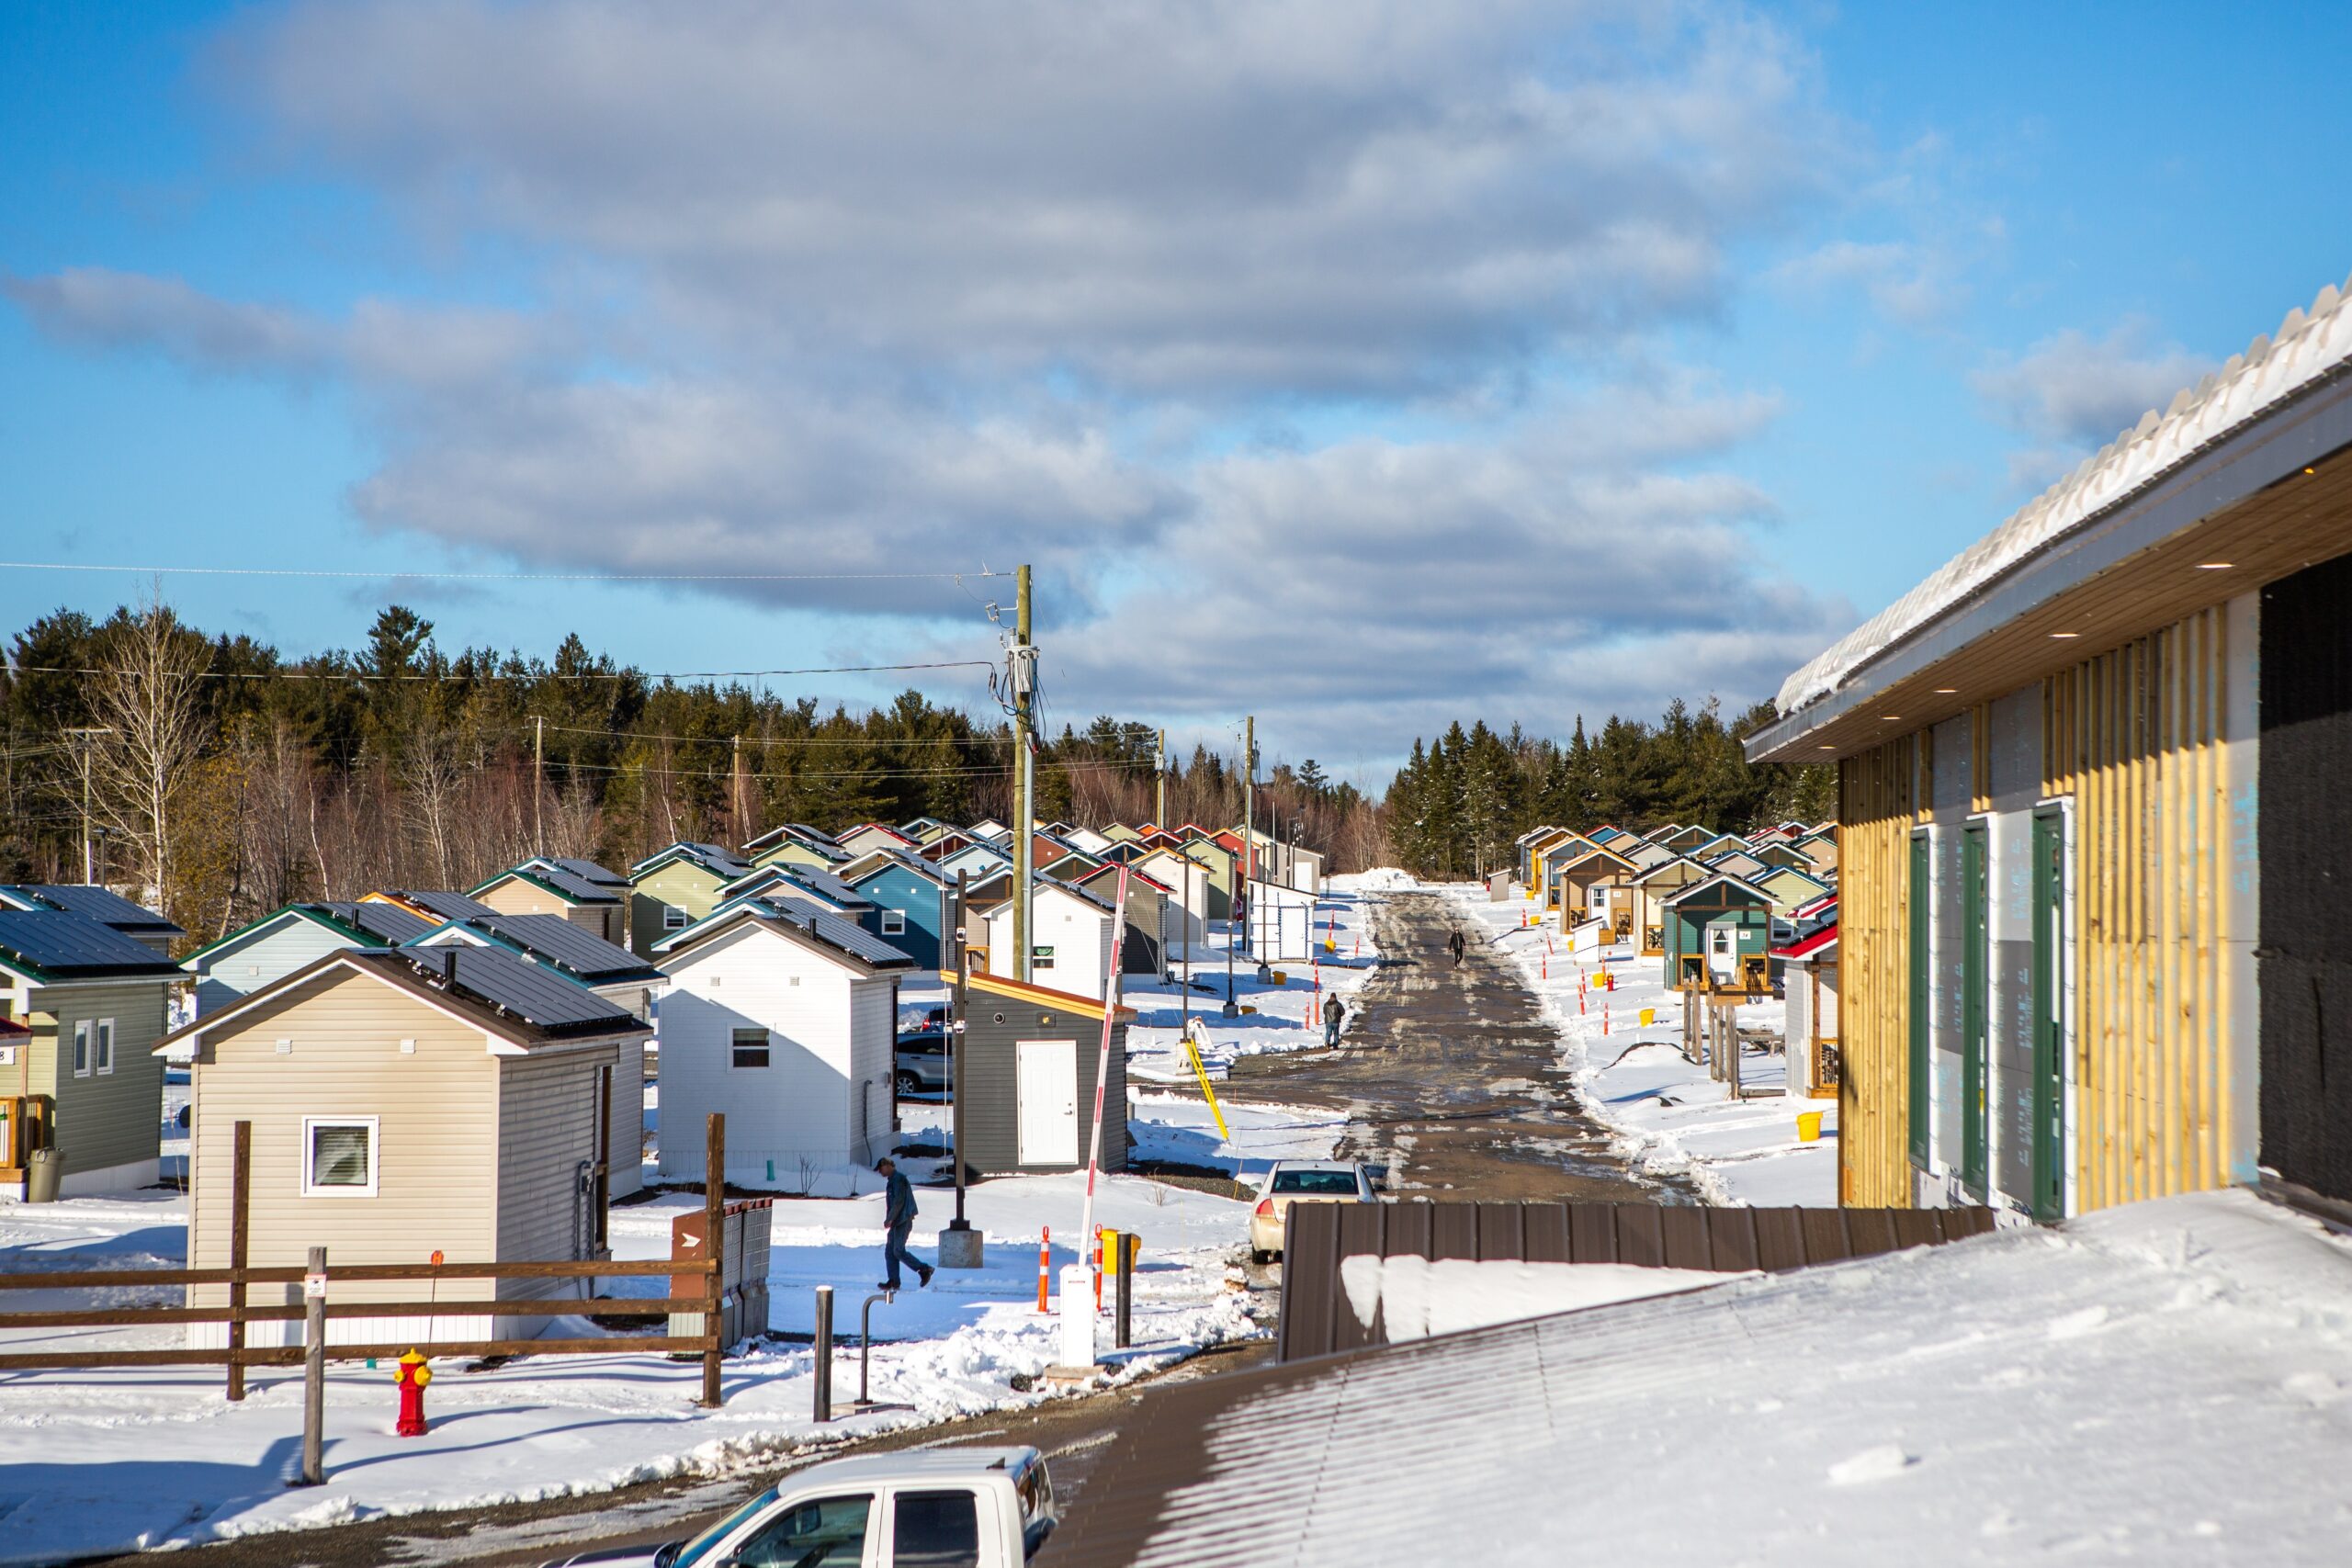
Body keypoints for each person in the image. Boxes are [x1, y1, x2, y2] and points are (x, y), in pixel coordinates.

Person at [876, 1156, 932, 1291]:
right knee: (890, 1252)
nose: (880, 1172)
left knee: (898, 1251)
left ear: (887, 1166)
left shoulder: (898, 1179)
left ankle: (924, 1269)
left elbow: (899, 1202)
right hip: (897, 1221)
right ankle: (893, 1281)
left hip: (903, 1220)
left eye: (881, 1169)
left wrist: (889, 1218)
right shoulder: (893, 1180)